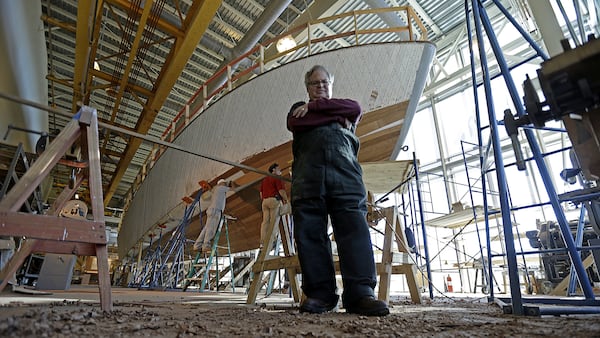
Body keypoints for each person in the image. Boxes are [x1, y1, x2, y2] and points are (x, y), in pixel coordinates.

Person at [286, 65, 389, 316]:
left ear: (330, 85)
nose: (320, 86)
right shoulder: (297, 109)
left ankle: (360, 293)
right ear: (307, 88)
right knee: (310, 236)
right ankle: (320, 294)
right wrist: (331, 115)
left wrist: (314, 109)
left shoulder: (336, 107)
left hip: (346, 177)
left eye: (324, 82)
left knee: (354, 231)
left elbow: (355, 109)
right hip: (308, 179)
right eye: (314, 83)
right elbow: (293, 122)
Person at [194, 179, 231, 252]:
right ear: (222, 183)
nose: (226, 184)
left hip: (211, 210)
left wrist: (209, 187)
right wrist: (232, 183)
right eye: (225, 183)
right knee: (211, 229)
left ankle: (197, 245)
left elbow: (211, 190)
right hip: (215, 211)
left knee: (206, 229)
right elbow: (233, 188)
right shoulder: (221, 188)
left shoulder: (215, 190)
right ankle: (206, 245)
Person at [259, 163, 289, 247]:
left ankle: (263, 242)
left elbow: (261, 193)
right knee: (274, 221)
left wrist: (266, 199)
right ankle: (272, 241)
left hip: (264, 202)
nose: (280, 170)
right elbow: (281, 191)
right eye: (278, 169)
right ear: (273, 170)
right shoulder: (277, 178)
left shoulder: (264, 180)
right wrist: (286, 200)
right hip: (274, 200)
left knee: (265, 222)